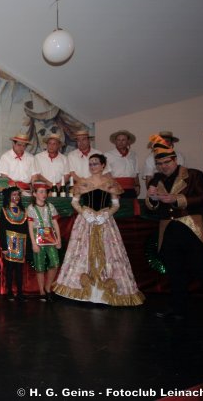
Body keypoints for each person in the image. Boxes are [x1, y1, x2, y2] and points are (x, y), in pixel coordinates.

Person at [53, 154, 144, 306]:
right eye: (91, 164)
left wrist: (106, 214)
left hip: (105, 221)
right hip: (86, 221)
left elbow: (116, 204)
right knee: (82, 251)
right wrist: (84, 213)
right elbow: (75, 202)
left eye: (95, 163)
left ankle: (103, 294)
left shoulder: (110, 183)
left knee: (109, 252)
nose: (93, 166)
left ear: (103, 165)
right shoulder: (83, 182)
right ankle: (83, 292)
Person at [146, 135, 203, 319]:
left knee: (202, 269)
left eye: (166, 162)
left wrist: (177, 199)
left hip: (191, 228)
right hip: (168, 229)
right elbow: (151, 207)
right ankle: (178, 308)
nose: (163, 166)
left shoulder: (194, 174)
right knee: (175, 271)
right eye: (159, 164)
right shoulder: (156, 179)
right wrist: (152, 198)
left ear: (175, 160)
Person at [26, 182, 61, 302]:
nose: (44, 194)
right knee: (39, 265)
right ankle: (41, 291)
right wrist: (33, 243)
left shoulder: (50, 206)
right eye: (41, 192)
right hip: (37, 237)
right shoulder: (31, 208)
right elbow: (30, 227)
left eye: (45, 191)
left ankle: (48, 287)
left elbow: (55, 223)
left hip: (50, 237)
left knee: (55, 262)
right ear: (34, 194)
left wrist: (58, 239)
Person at [0, 187, 28, 302]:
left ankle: (20, 292)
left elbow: (25, 229)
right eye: (13, 195)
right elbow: (2, 229)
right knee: (10, 268)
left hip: (21, 244)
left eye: (18, 194)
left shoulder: (23, 211)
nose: (16, 197)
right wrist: (4, 247)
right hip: (9, 243)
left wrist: (26, 245)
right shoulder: (5, 210)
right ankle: (9, 292)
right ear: (9, 197)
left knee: (19, 269)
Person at [104, 130, 140, 198]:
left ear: (128, 142)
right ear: (115, 141)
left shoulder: (133, 155)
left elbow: (136, 172)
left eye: (123, 140)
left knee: (131, 205)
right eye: (118, 140)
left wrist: (137, 185)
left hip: (131, 189)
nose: (120, 142)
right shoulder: (108, 155)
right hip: (115, 189)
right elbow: (105, 174)